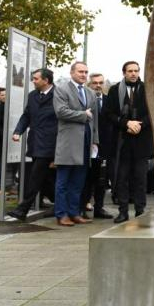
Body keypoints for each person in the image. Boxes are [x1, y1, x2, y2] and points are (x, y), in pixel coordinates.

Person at [105, 61, 153, 223]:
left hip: (141, 141)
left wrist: (140, 124)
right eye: (130, 71)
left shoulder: (148, 89)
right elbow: (108, 113)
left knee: (140, 178)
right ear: (124, 72)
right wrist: (126, 124)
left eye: (136, 71)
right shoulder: (113, 90)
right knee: (121, 178)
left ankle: (140, 211)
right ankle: (123, 211)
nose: (133, 74)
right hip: (121, 141)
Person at [7, 68, 57, 221]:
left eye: (36, 78)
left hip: (51, 144)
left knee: (34, 177)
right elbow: (27, 115)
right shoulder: (33, 96)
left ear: (46, 80)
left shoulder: (59, 95)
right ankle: (64, 204)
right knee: (46, 178)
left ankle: (22, 210)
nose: (33, 81)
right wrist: (18, 131)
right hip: (35, 143)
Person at [53, 61, 98, 226]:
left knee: (78, 182)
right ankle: (61, 214)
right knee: (63, 181)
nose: (84, 75)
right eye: (80, 72)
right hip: (68, 143)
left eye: (86, 72)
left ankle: (74, 212)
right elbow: (60, 111)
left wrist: (95, 141)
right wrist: (82, 115)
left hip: (86, 143)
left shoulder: (90, 92)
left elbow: (95, 120)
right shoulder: (62, 89)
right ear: (72, 72)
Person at [80, 73, 114, 219]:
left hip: (105, 146)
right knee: (86, 178)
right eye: (95, 83)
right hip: (88, 144)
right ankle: (82, 207)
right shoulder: (84, 100)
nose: (98, 85)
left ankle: (99, 208)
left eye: (101, 82)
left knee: (102, 180)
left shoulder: (109, 101)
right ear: (89, 84)